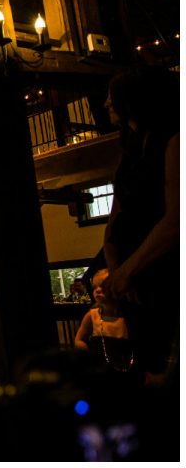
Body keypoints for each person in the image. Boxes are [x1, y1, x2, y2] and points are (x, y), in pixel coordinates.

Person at [101, 67, 179, 382]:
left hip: (164, 274)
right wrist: (117, 268)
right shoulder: (129, 153)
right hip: (135, 282)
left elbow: (176, 220)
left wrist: (127, 271)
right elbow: (115, 218)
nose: (106, 104)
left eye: (112, 98)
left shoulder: (172, 142)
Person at [75, 269, 132, 372]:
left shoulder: (128, 315)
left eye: (103, 286)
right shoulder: (92, 315)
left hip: (126, 367)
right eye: (94, 287)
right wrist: (87, 356)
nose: (97, 290)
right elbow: (79, 339)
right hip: (99, 369)